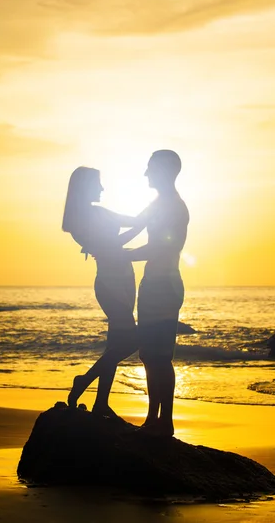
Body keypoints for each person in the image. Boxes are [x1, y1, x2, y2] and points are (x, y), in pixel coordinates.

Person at [62, 166, 144, 415]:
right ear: (85, 186)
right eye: (97, 183)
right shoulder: (78, 222)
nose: (102, 188)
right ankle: (84, 380)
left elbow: (131, 220)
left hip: (125, 279)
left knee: (115, 344)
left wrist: (149, 217)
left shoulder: (99, 212)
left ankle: (101, 403)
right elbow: (112, 244)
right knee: (133, 340)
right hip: (110, 284)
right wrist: (145, 224)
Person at [128, 150, 189, 437]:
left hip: (164, 285)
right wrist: (100, 242)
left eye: (150, 168)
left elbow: (162, 247)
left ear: (164, 171)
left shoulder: (174, 207)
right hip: (153, 283)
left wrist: (121, 256)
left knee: (161, 356)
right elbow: (131, 225)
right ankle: (153, 417)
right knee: (150, 355)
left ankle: (165, 421)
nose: (145, 174)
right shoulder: (157, 204)